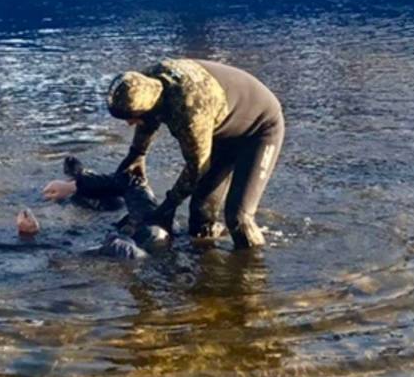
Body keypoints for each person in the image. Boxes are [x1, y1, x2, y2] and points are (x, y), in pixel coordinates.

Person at [105, 58, 284, 249]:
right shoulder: (143, 81)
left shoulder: (190, 111)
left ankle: (253, 271)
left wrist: (167, 207)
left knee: (238, 218)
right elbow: (148, 117)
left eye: (131, 118)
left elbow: (197, 167)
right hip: (220, 129)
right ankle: (208, 266)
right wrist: (137, 154)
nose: (129, 124)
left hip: (260, 128)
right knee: (200, 218)